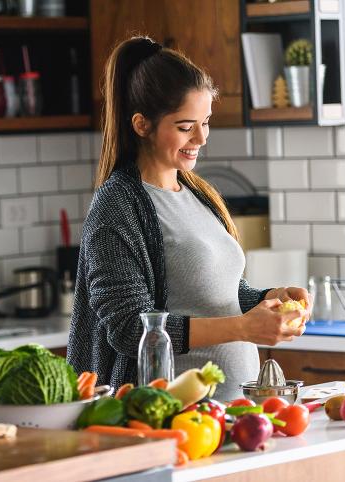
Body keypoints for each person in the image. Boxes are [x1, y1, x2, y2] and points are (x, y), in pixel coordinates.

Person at [67, 36, 311, 401]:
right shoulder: (117, 205)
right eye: (185, 126)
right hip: (169, 415)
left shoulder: (198, 194)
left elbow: (212, 294)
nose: (201, 137)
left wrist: (266, 299)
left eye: (206, 122)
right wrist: (244, 327)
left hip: (234, 410)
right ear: (141, 125)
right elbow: (130, 327)